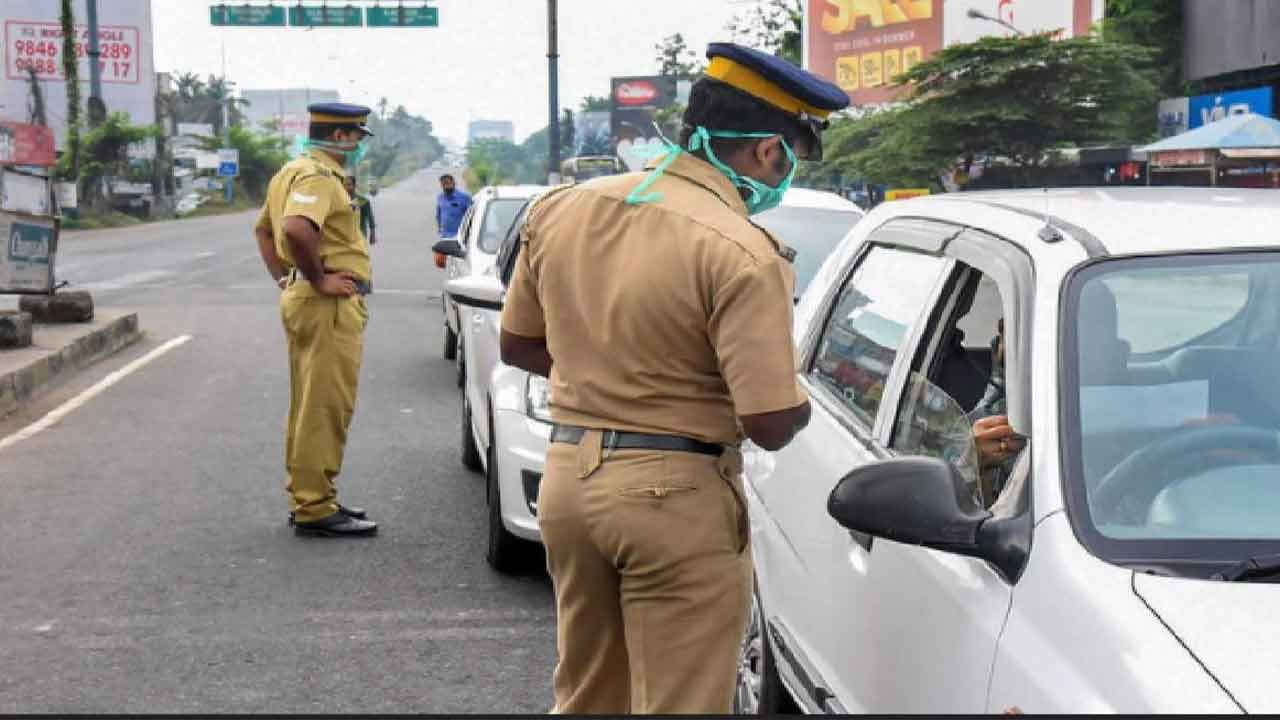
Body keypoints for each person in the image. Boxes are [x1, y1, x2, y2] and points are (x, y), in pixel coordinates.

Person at [499, 42, 847, 714]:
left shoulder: (563, 209)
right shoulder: (745, 251)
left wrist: (611, 377)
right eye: (792, 158)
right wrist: (808, 397)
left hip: (570, 481)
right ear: (769, 152)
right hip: (674, 499)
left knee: (587, 695)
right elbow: (769, 422)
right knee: (682, 702)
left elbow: (519, 344)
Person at [253, 102, 378, 538]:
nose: (360, 145)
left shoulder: (289, 172)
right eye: (358, 137)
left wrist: (287, 280)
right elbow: (294, 230)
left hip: (307, 298)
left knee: (309, 403)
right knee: (324, 406)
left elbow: (264, 231)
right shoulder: (317, 177)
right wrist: (318, 280)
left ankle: (310, 494)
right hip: (326, 306)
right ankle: (314, 506)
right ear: (341, 137)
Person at [435, 173, 472, 239]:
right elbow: (439, 215)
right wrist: (440, 228)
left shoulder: (465, 197)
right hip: (445, 235)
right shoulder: (440, 197)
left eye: (448, 183)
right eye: (443, 184)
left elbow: (471, 216)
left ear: (454, 183)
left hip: (460, 236)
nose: (446, 186)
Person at [343, 175, 377, 246]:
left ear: (354, 185)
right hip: (345, 238)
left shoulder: (362, 200)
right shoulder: (340, 201)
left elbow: (370, 218)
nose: (346, 188)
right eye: (344, 185)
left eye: (349, 185)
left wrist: (372, 233)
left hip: (360, 236)